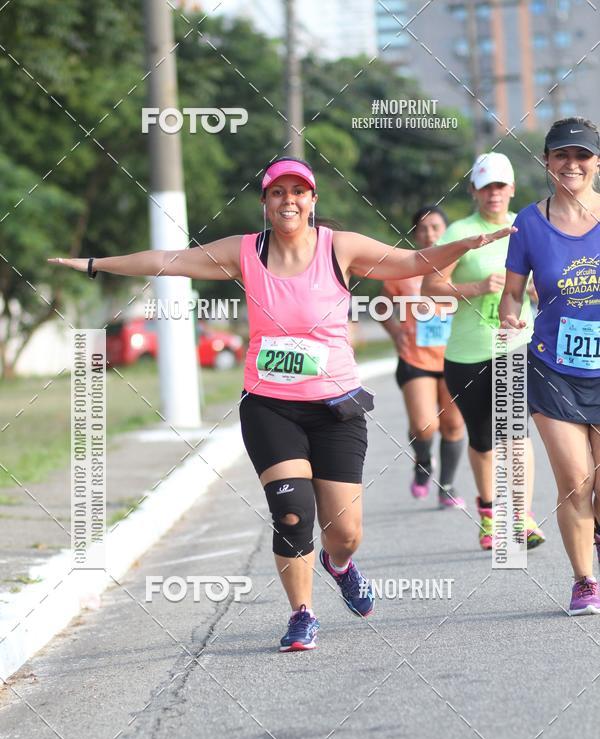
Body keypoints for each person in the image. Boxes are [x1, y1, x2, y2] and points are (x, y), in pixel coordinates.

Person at [50, 156, 515, 650]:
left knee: (346, 533)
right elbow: (168, 260)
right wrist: (96, 265)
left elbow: (411, 263)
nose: (288, 200)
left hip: (336, 408)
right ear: (265, 203)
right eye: (278, 192)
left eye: (298, 192)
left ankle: (339, 565)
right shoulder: (245, 251)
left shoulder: (342, 247)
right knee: (293, 513)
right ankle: (302, 613)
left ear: (313, 201)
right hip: (270, 404)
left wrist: (465, 244)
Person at [500, 118, 600, 614]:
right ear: (547, 162)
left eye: (582, 156)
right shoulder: (528, 223)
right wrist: (510, 318)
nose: (572, 164)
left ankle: (593, 533)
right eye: (562, 155)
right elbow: (511, 295)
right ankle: (585, 580)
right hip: (553, 368)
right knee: (575, 480)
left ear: (597, 163)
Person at [422, 153, 545, 551]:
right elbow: (431, 287)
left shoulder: (528, 227)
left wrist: (532, 290)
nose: (494, 194)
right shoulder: (460, 231)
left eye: (501, 186)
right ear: (474, 190)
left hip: (513, 342)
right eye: (486, 186)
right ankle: (490, 515)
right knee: (482, 439)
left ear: (512, 189)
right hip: (467, 350)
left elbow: (550, 284)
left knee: (514, 430)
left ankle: (521, 516)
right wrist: (477, 288)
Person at [378, 206, 466, 508]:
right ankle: (423, 460)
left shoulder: (460, 262)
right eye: (423, 228)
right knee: (426, 425)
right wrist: (395, 331)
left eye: (436, 227)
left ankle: (448, 487)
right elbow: (381, 307)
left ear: (447, 230)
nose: (430, 233)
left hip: (456, 356)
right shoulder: (404, 266)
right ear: (415, 234)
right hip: (415, 358)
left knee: (453, 425)